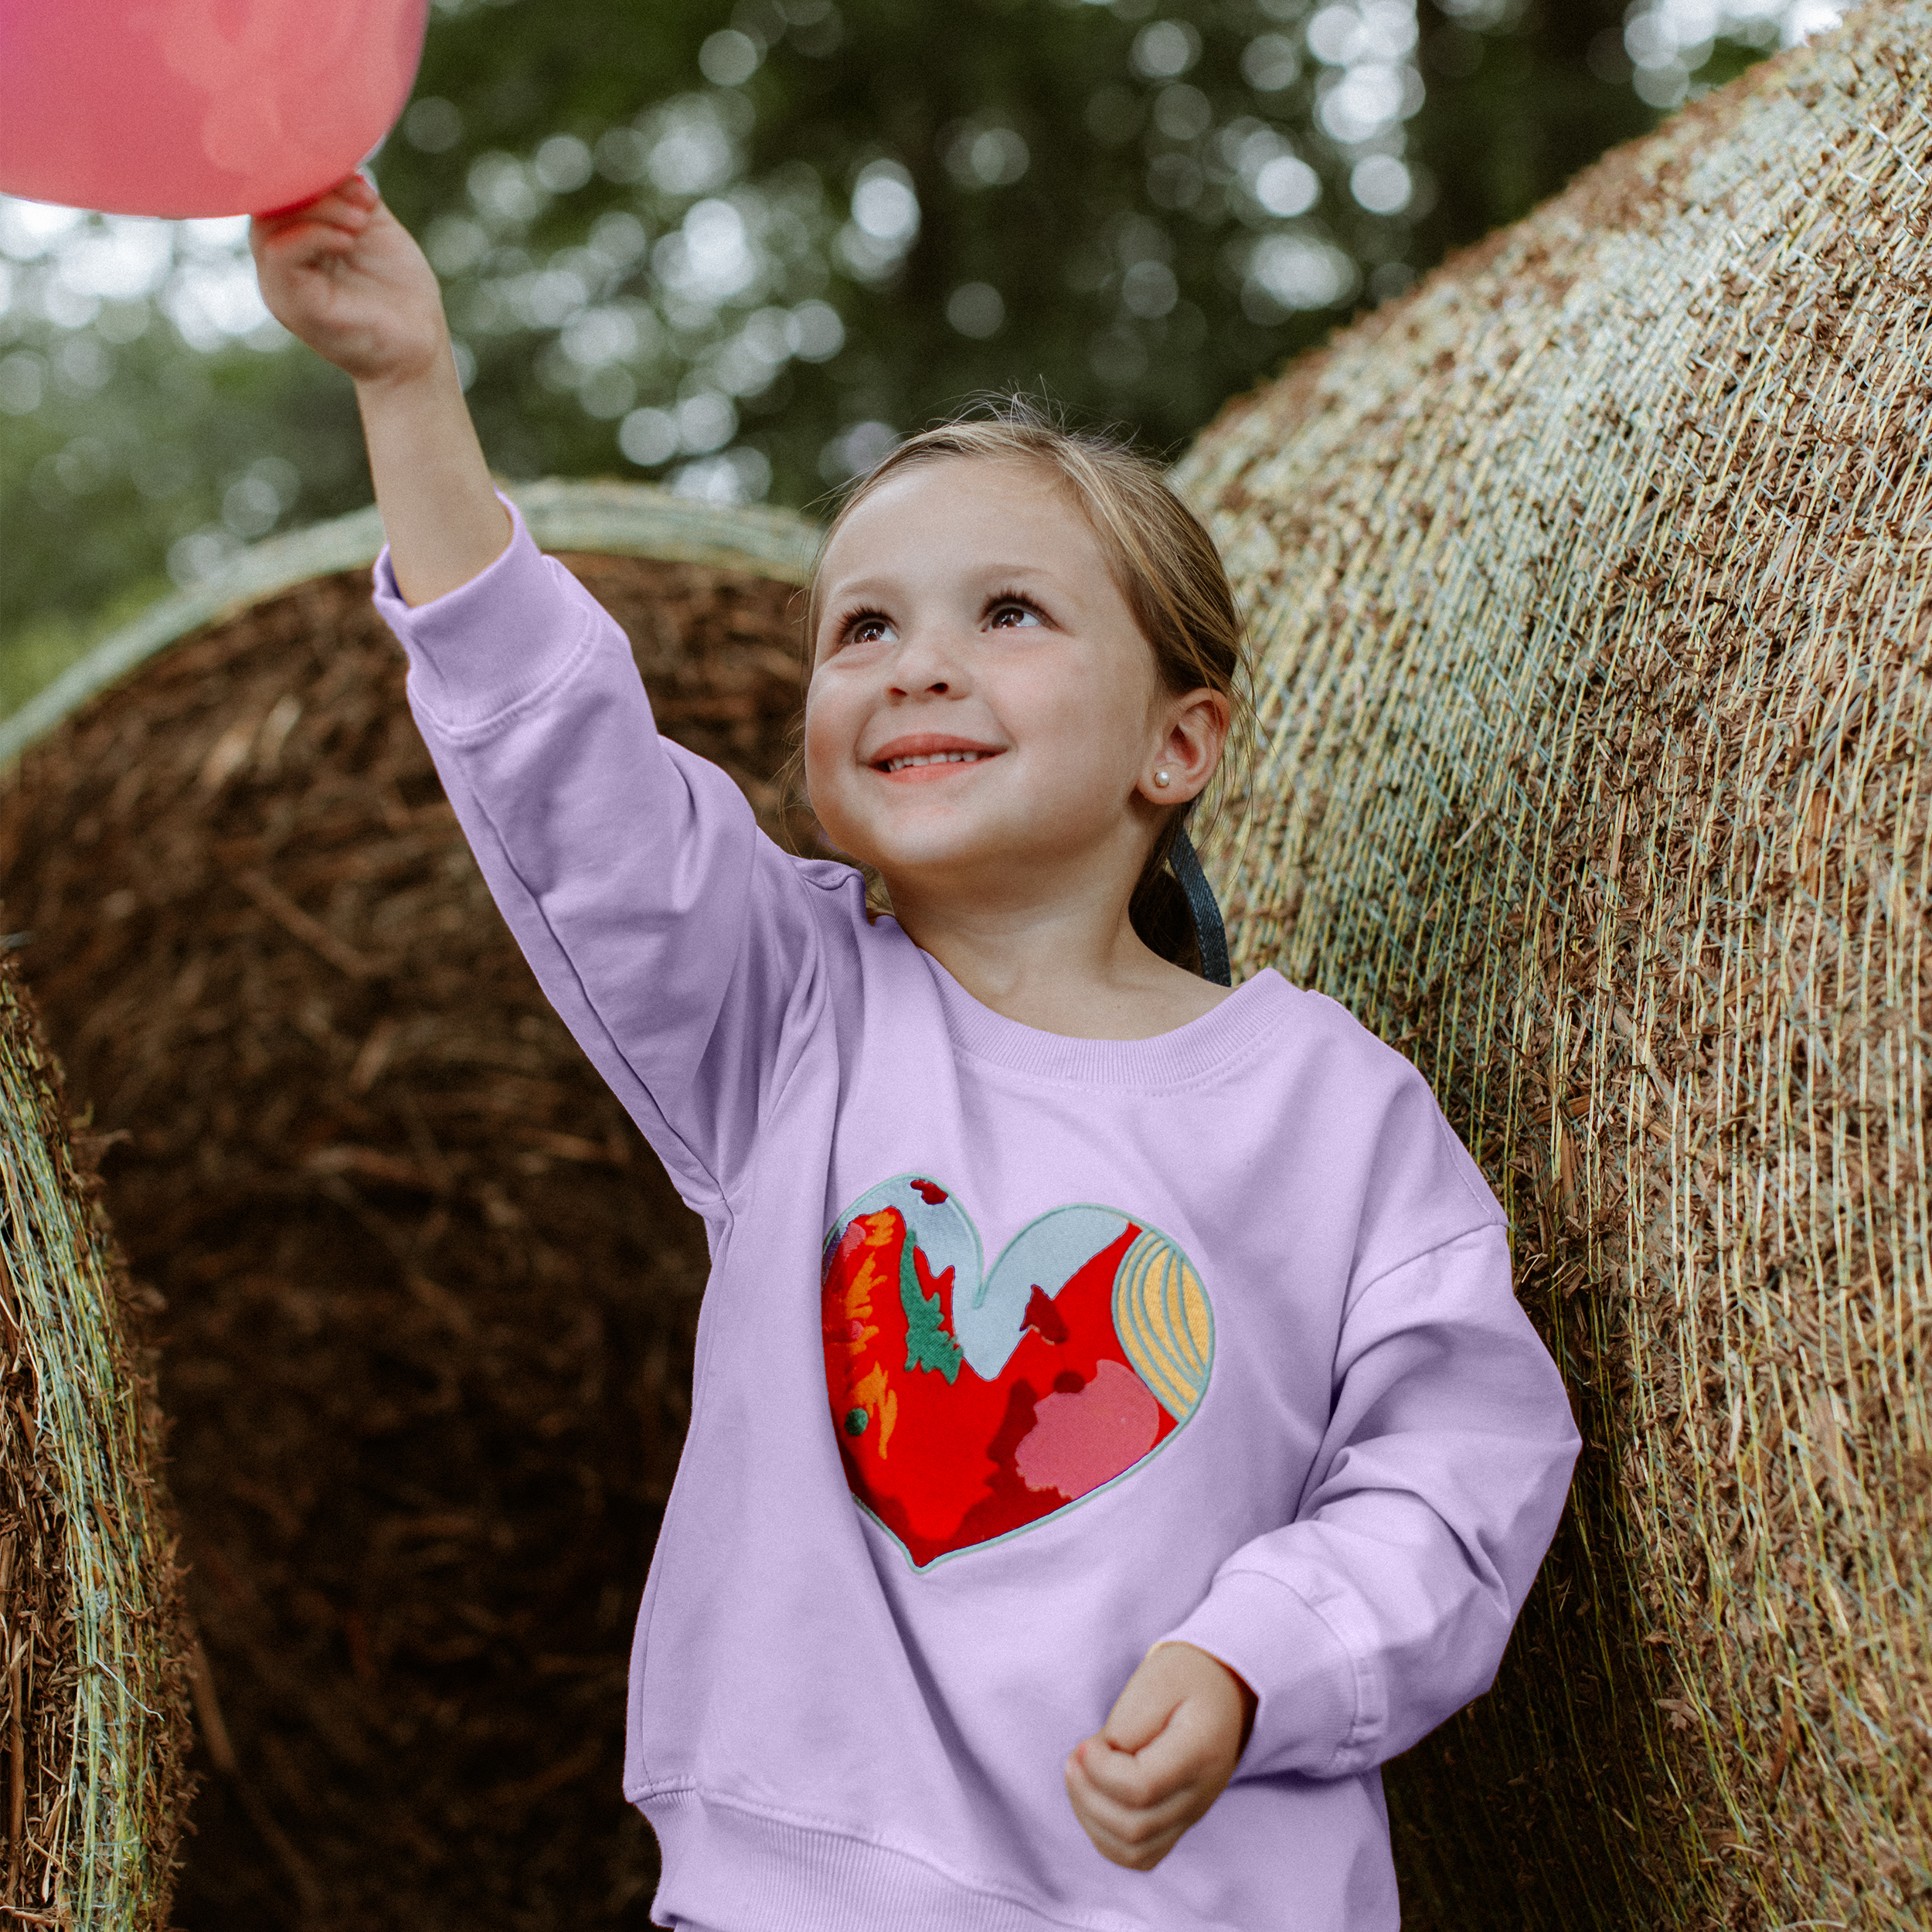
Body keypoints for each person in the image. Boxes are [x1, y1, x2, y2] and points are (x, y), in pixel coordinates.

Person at [250, 172, 1580, 1932]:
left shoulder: (1329, 1105)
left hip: (1190, 1899)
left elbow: (1458, 1467)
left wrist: (1262, 1653)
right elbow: (564, 778)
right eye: (859, 625)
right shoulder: (786, 1011)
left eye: (1005, 614)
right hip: (790, 1894)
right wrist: (410, 384)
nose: (912, 666)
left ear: (1177, 739)